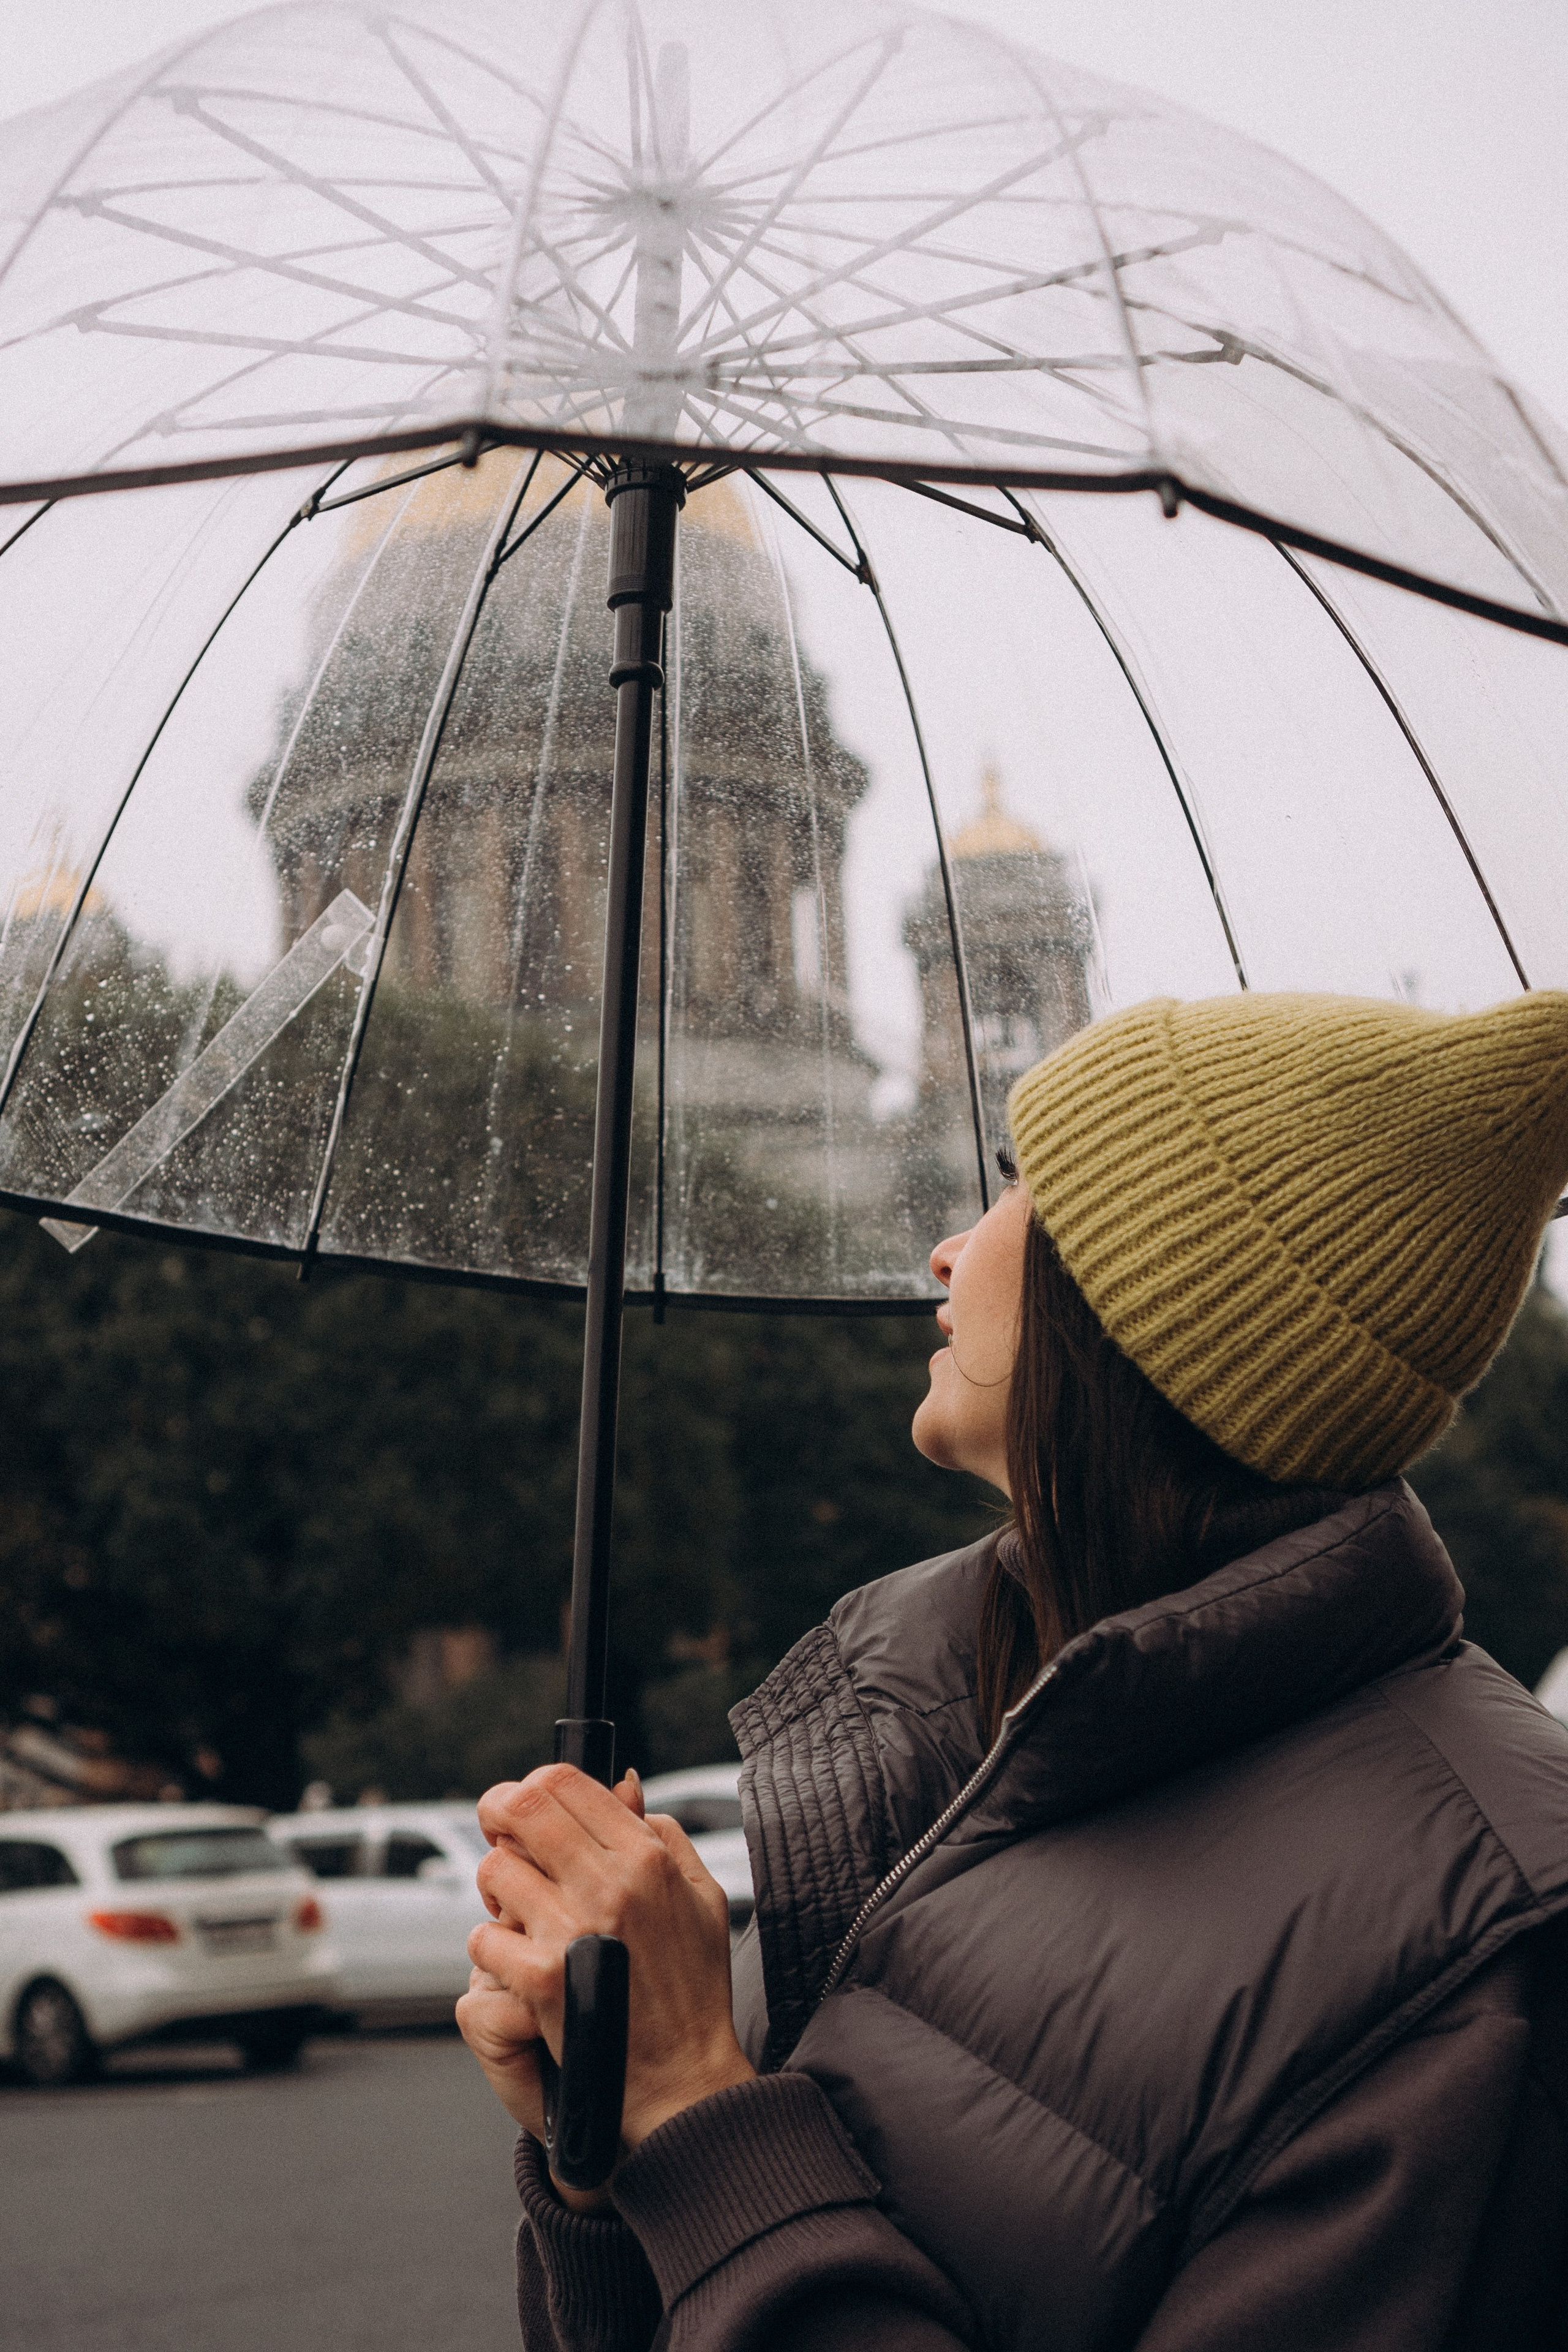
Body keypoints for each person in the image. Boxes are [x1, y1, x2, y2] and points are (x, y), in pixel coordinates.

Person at [459, 989, 1568, 2350]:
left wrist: (694, 2107)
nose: (944, 1252)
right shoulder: (949, 1728)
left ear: (1150, 1298)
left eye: (1016, 1188)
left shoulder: (1489, 1936)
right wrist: (604, 2154)